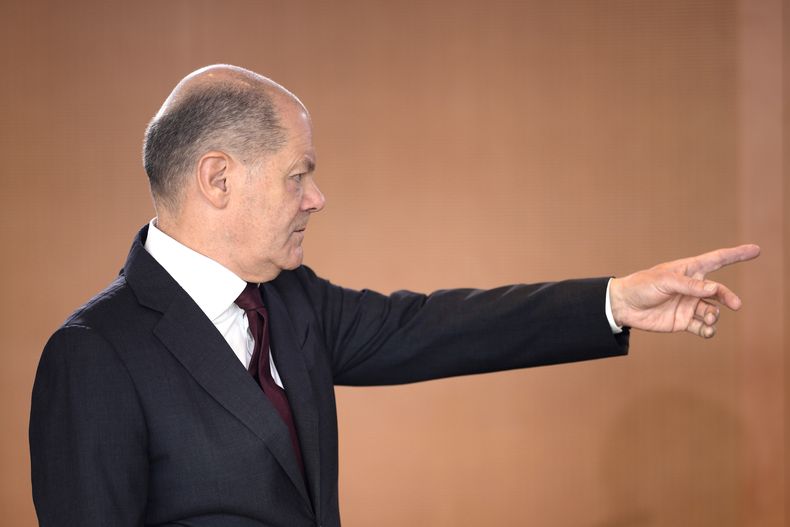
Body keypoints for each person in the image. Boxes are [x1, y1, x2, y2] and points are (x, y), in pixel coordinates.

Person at [29, 64, 760, 527]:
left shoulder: (294, 301)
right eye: (297, 174)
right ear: (218, 179)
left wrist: (615, 300)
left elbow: (441, 326)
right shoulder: (93, 354)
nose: (317, 197)